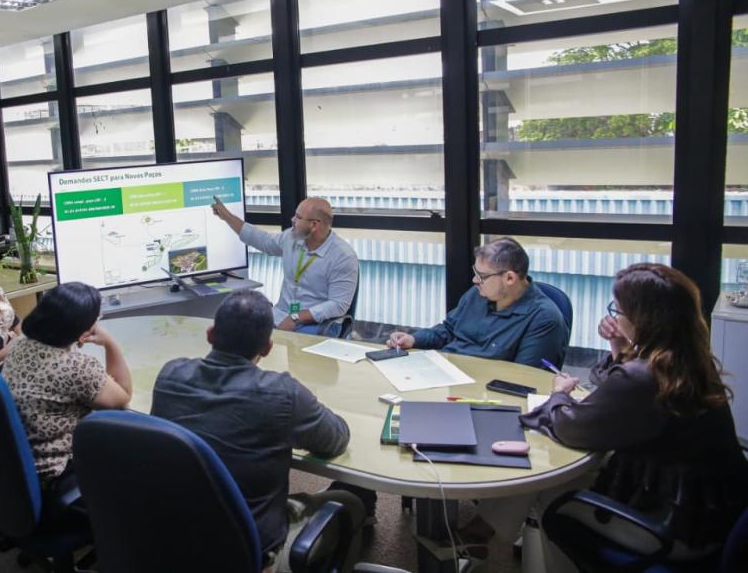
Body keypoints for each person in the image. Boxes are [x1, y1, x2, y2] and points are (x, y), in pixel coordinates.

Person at [522, 263, 748, 558]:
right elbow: (620, 394)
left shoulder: (646, 376)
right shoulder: (689, 359)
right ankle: (488, 532)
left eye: (619, 311)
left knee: (550, 493)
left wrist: (559, 395)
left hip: (673, 527)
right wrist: (619, 346)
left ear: (644, 320)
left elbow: (571, 427)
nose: (615, 318)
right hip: (711, 511)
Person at [151, 290, 365, 572]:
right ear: (267, 348)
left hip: (172, 537)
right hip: (248, 550)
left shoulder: (170, 374)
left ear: (210, 334)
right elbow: (336, 439)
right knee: (350, 503)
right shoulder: (282, 394)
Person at [1, 281, 132, 490]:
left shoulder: (20, 343)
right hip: (57, 470)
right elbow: (122, 397)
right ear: (83, 332)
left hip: (20, 460)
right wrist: (110, 343)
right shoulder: (77, 367)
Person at [388, 237, 568, 368]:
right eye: (476, 272)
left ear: (510, 278)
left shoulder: (544, 318)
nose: (475, 280)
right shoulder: (478, 293)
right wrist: (413, 339)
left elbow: (525, 378)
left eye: (482, 276)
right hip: (446, 372)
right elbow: (448, 330)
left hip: (485, 393)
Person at [212, 196, 358, 336]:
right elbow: (263, 240)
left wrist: (296, 318)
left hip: (318, 323)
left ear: (314, 225)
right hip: (282, 315)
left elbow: (338, 305)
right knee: (239, 331)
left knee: (281, 343)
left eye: (298, 217)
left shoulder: (343, 256)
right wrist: (227, 217)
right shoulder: (291, 238)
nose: (292, 220)